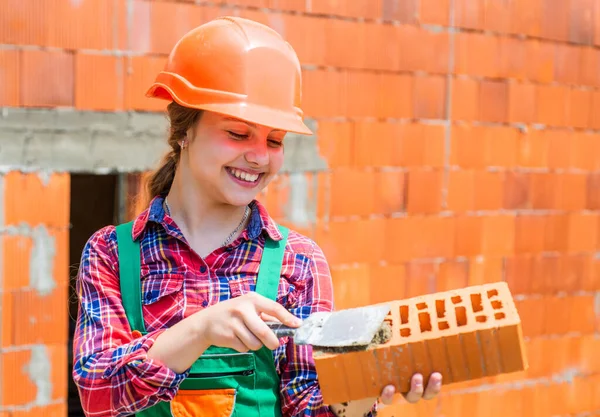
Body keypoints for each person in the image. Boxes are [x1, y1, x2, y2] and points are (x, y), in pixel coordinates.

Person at [71, 16, 442, 417]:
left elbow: (306, 405)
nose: (259, 156)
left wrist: (360, 389)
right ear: (184, 130)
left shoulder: (298, 261)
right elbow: (97, 391)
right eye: (238, 133)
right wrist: (202, 328)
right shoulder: (113, 253)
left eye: (275, 140)